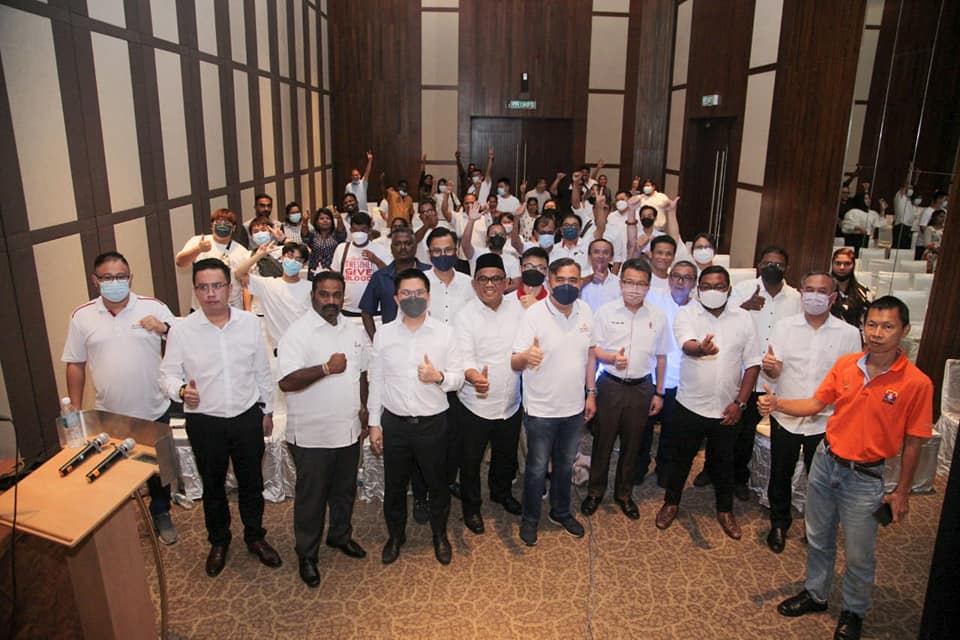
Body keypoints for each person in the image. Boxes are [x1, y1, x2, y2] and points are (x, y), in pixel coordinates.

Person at [761, 296, 933, 640]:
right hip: (826, 464)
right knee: (818, 538)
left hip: (865, 477)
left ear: (904, 331)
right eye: (872, 325)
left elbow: (914, 442)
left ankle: (854, 610)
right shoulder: (846, 365)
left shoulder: (917, 383)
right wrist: (778, 404)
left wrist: (902, 492)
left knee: (858, 554)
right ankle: (816, 594)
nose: (877, 333)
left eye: (887, 326)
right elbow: (816, 403)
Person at [160, 259, 281, 577]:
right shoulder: (183, 330)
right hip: (205, 421)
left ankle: (255, 537)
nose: (211, 293)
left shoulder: (249, 323)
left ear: (230, 288)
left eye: (217, 286)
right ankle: (219, 541)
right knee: (212, 485)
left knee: (251, 482)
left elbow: (261, 369)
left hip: (246, 416)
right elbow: (167, 374)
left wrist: (266, 409)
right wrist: (181, 390)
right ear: (195, 290)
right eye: (203, 287)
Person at [62, 251, 179, 544]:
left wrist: (164, 328)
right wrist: (74, 406)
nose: (115, 282)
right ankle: (119, 524)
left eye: (121, 277)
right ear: (95, 280)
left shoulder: (153, 307)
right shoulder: (82, 316)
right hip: (111, 413)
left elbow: (184, 339)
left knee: (160, 469)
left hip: (154, 407)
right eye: (107, 278)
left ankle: (161, 511)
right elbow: (75, 363)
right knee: (116, 470)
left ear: (130, 278)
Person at [277, 272, 369, 588]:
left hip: (348, 430)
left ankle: (339, 536)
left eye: (337, 295)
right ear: (313, 296)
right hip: (312, 435)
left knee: (344, 492)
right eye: (324, 294)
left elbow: (362, 373)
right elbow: (286, 381)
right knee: (311, 499)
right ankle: (307, 553)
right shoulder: (297, 333)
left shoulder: (353, 329)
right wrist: (326, 368)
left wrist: (364, 408)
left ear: (344, 297)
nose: (331, 301)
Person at [655, 266, 761, 540]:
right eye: (707, 286)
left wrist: (741, 403)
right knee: (681, 459)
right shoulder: (687, 313)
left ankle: (725, 511)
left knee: (724, 462)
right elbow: (687, 344)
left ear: (728, 289)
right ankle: (671, 503)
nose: (713, 291)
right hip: (690, 404)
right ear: (698, 289)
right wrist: (700, 349)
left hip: (728, 408)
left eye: (719, 286)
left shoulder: (744, 319)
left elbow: (752, 364)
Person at [368, 269, 464, 566]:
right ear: (396, 299)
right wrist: (374, 423)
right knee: (395, 487)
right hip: (395, 424)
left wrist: (438, 377)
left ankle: (440, 535)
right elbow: (376, 380)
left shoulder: (445, 333)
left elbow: (459, 378)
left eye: (419, 293)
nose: (413, 298)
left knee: (438, 485)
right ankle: (396, 536)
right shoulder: (384, 334)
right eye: (406, 294)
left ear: (428, 297)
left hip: (432, 425)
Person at [762, 272, 862, 554]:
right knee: (780, 474)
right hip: (786, 414)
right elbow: (775, 370)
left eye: (821, 291)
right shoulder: (784, 327)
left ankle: (815, 526)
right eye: (809, 290)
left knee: (821, 479)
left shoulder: (849, 334)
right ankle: (779, 523)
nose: (814, 296)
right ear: (801, 293)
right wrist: (771, 368)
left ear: (832, 297)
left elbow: (852, 380)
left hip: (826, 420)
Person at [511, 258, 597, 547]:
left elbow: (591, 354)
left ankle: (560, 511)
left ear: (580, 283)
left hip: (573, 408)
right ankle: (530, 518)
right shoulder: (533, 315)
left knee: (564, 465)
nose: (567, 286)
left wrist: (591, 392)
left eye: (573, 280)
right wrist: (526, 357)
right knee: (536, 469)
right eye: (561, 280)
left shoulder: (586, 311)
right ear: (549, 282)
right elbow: (514, 360)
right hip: (541, 410)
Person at [582, 258, 668, 520]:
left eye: (640, 284)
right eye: (629, 282)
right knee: (603, 442)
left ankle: (624, 494)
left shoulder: (657, 316)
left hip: (642, 388)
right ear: (620, 284)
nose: (634, 289)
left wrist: (659, 392)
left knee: (633, 445)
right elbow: (593, 351)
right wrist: (608, 362)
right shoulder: (605, 312)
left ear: (648, 287)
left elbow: (661, 357)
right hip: (610, 385)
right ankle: (595, 492)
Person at [713, 246, 800, 498]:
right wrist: (745, 306)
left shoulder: (796, 298)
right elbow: (720, 319)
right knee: (729, 429)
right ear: (759, 265)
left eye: (778, 264)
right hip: (744, 374)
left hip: (776, 378)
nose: (773, 268)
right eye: (767, 263)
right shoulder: (743, 289)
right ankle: (715, 470)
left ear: (787, 268)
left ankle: (741, 477)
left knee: (753, 432)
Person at [454, 254, 525, 533]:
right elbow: (464, 357)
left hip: (510, 402)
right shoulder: (465, 316)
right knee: (470, 461)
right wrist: (474, 377)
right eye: (483, 279)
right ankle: (471, 508)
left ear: (506, 282)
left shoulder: (518, 310)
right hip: (475, 404)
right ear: (474, 284)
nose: (489, 284)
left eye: (496, 278)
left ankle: (501, 493)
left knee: (505, 456)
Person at [637, 260, 698, 487]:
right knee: (642, 430)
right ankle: (638, 468)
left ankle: (664, 470)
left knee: (672, 433)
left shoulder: (700, 310)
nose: (680, 282)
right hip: (652, 377)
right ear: (669, 279)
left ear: (694, 283)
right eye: (676, 276)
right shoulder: (653, 300)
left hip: (683, 382)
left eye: (687, 277)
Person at [359, 226, 432, 341]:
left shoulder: (429, 273)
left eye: (408, 243)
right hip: (391, 341)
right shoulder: (380, 277)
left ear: (415, 246)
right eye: (397, 244)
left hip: (426, 339)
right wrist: (376, 341)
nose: (403, 248)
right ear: (391, 248)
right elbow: (366, 312)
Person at [175, 208, 249, 309]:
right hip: (200, 308)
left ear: (233, 228)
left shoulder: (242, 252)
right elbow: (180, 262)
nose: (222, 225)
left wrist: (248, 310)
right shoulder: (198, 241)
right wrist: (198, 249)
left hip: (231, 308)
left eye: (227, 223)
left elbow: (246, 285)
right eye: (218, 222)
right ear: (211, 225)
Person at [330, 212, 390, 324]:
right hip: (347, 310)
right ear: (350, 230)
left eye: (363, 230)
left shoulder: (379, 249)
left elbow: (390, 275)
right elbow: (334, 277)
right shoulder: (342, 248)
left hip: (375, 312)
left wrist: (376, 260)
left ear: (369, 230)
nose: (359, 234)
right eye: (355, 230)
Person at [830, 247, 870, 329]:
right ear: (832, 264)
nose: (842, 267)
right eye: (838, 263)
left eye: (847, 264)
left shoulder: (863, 292)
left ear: (853, 265)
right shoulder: (822, 290)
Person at [580, 238, 620, 311]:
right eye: (596, 252)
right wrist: (590, 278)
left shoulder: (619, 282)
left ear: (611, 257)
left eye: (605, 253)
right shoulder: (579, 276)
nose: (601, 256)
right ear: (589, 256)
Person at [306, 207, 347, 273]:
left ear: (332, 221)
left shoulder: (335, 234)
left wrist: (339, 219)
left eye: (328, 218)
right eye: (321, 218)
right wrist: (305, 222)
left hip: (333, 271)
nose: (325, 220)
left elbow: (341, 233)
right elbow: (305, 237)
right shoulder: (313, 234)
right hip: (315, 271)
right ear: (317, 222)